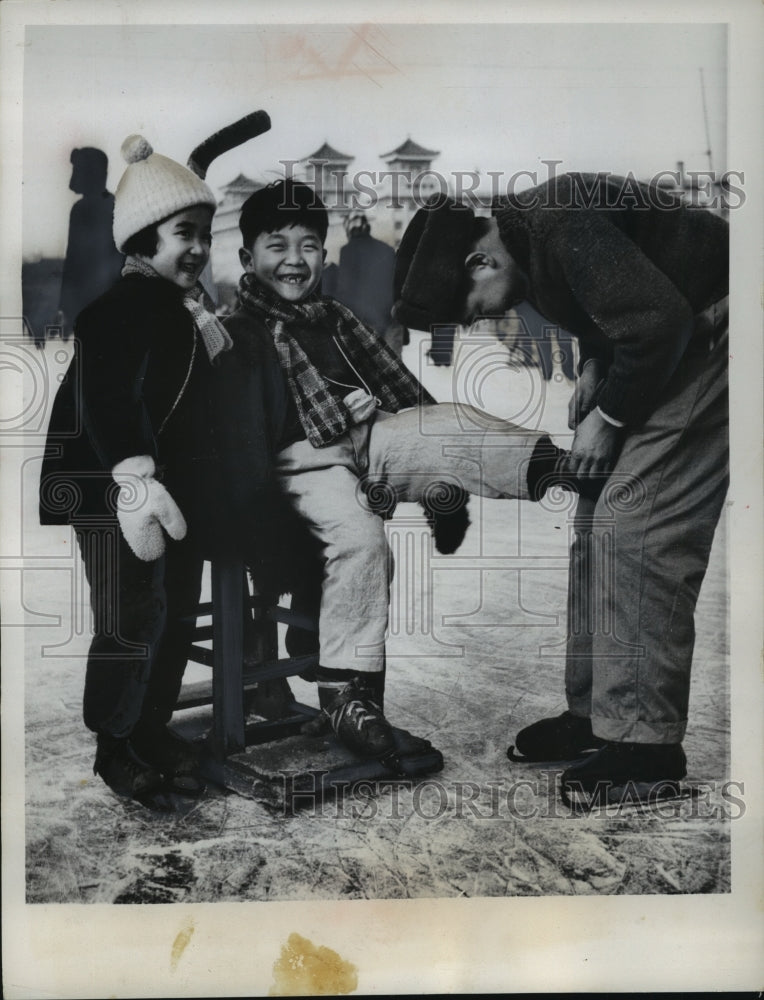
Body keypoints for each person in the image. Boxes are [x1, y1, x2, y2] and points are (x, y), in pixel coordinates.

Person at [222, 178, 597, 764]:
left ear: (326, 250)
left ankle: (546, 465)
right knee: (363, 539)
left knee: (444, 421)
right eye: (277, 246)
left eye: (309, 245)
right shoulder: (236, 331)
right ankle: (348, 691)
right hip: (301, 464)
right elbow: (237, 430)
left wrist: (418, 437)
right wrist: (318, 413)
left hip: (365, 440)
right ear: (248, 257)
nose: (295, 260)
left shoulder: (336, 318)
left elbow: (406, 396)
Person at [392, 173, 729, 804]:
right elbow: (621, 299)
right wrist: (600, 362)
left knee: (639, 526)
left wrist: (613, 418)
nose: (485, 316)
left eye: (475, 306)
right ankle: (599, 715)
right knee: (596, 518)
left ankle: (646, 747)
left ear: (480, 260)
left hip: (720, 332)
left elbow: (658, 319)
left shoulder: (555, 223)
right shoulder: (528, 240)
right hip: (680, 333)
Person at [39, 134, 233, 808]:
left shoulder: (184, 312)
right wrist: (133, 475)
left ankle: (150, 728)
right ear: (143, 237)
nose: (201, 248)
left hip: (168, 495)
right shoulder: (116, 311)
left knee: (173, 610)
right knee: (129, 615)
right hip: (108, 489)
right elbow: (111, 403)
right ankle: (114, 744)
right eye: (186, 232)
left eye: (206, 234)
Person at [58, 147, 125, 340]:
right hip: (109, 299)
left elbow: (72, 263)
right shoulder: (114, 203)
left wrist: (65, 307)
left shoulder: (82, 209)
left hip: (92, 300)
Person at [334, 209, 405, 355]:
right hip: (390, 321)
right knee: (392, 371)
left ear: (349, 229)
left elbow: (344, 292)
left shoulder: (347, 251)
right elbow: (398, 286)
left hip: (364, 323)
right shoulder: (388, 249)